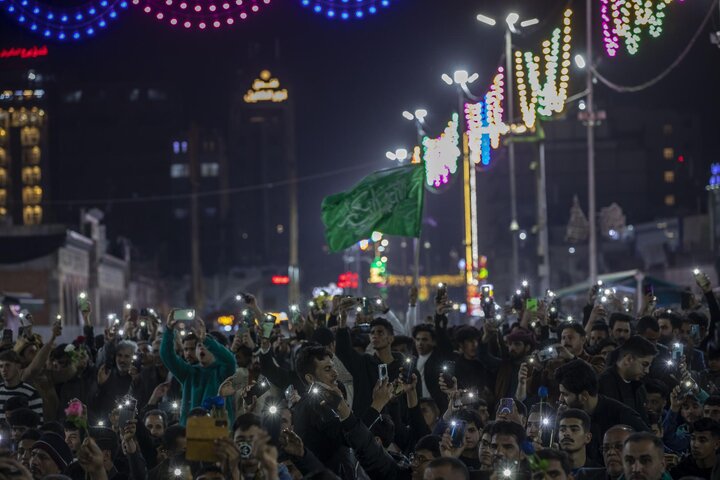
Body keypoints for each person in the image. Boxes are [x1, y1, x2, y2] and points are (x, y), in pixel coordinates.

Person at [555, 360, 648, 462]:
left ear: (584, 396)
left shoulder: (622, 416)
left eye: (565, 394)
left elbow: (652, 447)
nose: (560, 399)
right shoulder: (567, 418)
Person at [160, 314, 236, 425]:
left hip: (217, 432)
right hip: (189, 432)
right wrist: (168, 330)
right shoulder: (188, 372)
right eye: (198, 345)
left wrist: (206, 340)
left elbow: (230, 360)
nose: (201, 347)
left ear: (214, 350)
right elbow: (167, 356)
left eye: (204, 345)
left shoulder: (222, 372)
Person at [598, 335, 657, 421]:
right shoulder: (602, 384)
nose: (647, 371)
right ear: (628, 359)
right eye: (644, 364)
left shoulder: (639, 388)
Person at [412, 322, 453, 412]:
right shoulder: (412, 361)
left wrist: (439, 317)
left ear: (433, 342)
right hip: (417, 405)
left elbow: (445, 344)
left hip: (436, 407)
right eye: (417, 339)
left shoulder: (439, 360)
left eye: (424, 339)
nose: (420, 343)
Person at [0, 350, 44, 421]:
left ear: (18, 366)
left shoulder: (31, 393)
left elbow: (38, 424)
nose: (4, 370)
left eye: (7, 365)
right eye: (1, 366)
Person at [557, 408, 600, 473]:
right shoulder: (550, 471)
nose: (566, 433)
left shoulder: (599, 473)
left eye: (574, 429)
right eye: (562, 430)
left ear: (588, 437)